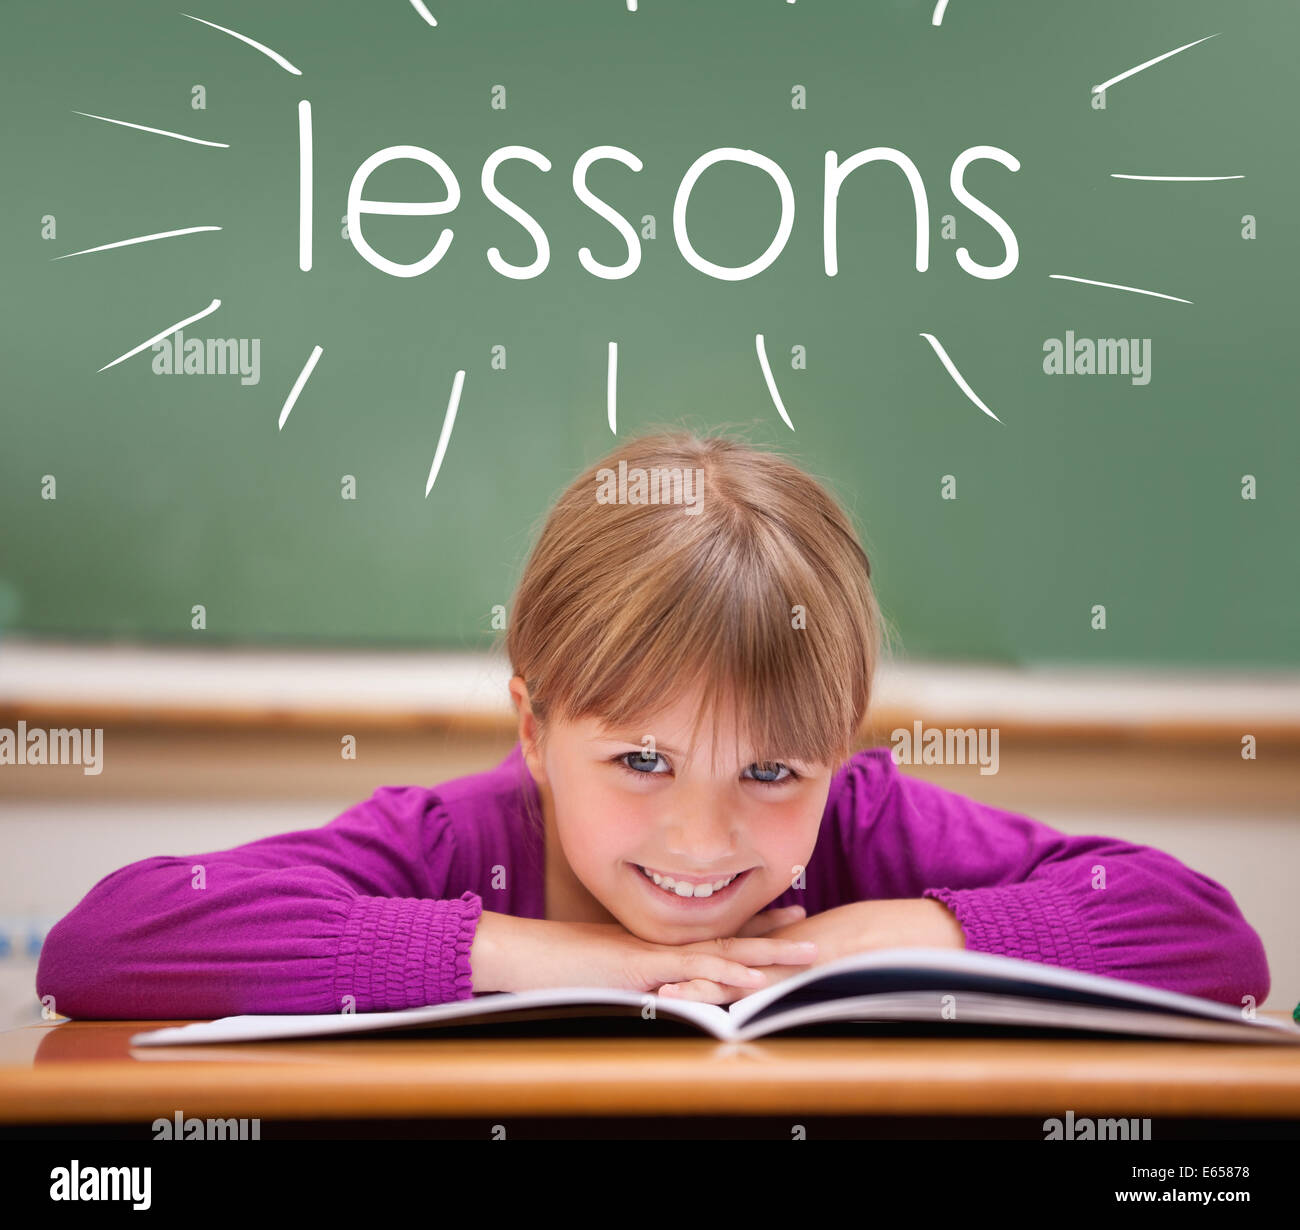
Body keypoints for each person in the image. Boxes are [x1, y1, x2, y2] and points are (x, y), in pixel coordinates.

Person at [35, 428, 1269, 1017]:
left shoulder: (871, 827)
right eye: (637, 758)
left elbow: (1206, 937)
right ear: (532, 726)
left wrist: (904, 930)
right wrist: (557, 959)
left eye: (774, 769)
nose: (698, 837)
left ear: (842, 747)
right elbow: (104, 946)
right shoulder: (454, 839)